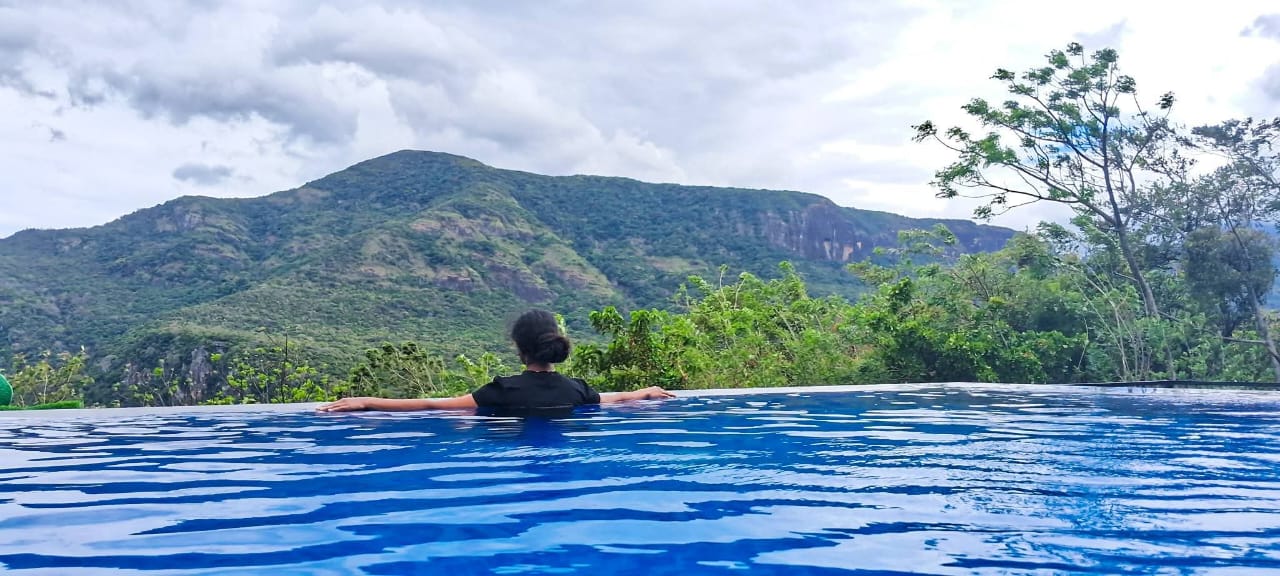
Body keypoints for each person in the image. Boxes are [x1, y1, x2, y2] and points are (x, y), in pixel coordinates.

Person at [317, 309, 674, 412]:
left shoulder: (502, 390)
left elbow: (430, 403)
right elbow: (616, 398)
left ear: (520, 349)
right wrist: (646, 391)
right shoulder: (576, 389)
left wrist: (367, 402)